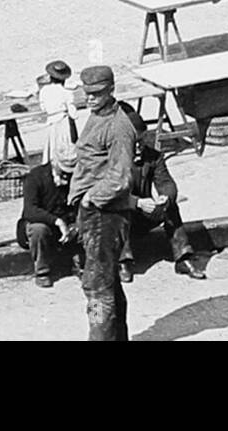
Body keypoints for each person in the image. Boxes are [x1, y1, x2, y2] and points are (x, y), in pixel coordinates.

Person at [69, 65, 138, 341]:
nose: (91, 99)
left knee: (96, 291)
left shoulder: (119, 126)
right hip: (96, 214)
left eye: (97, 94)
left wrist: (89, 199)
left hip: (105, 215)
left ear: (111, 90)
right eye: (88, 94)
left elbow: (120, 178)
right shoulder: (97, 116)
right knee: (108, 284)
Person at [121, 126, 206, 280]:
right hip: (124, 216)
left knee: (171, 207)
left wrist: (165, 197)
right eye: (134, 143)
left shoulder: (153, 156)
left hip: (143, 213)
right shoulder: (112, 161)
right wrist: (137, 202)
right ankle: (122, 262)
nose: (139, 147)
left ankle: (183, 257)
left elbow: (166, 182)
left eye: (141, 141)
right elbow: (111, 196)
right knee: (115, 212)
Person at [16, 149, 80, 287]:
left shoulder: (77, 178)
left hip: (68, 225)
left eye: (70, 174)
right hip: (46, 225)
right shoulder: (35, 177)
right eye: (63, 173)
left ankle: (80, 262)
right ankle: (42, 271)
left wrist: (76, 225)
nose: (67, 178)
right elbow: (30, 210)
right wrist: (57, 221)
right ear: (54, 164)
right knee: (38, 229)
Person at [38, 59, 78, 166]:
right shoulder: (67, 93)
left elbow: (43, 108)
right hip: (63, 123)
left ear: (50, 78)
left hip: (51, 122)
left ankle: (52, 168)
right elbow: (74, 114)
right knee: (65, 148)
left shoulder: (44, 91)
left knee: (52, 147)